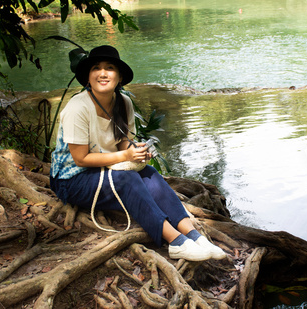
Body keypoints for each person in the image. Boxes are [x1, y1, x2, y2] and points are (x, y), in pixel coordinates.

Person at [49, 45, 226, 261]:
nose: (103, 73)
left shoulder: (123, 103)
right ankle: (177, 243)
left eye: (110, 68)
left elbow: (122, 141)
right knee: (127, 180)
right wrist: (125, 157)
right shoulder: (78, 107)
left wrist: (136, 151)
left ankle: (195, 236)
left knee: (149, 173)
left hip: (105, 168)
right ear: (88, 76)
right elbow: (80, 159)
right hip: (71, 180)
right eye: (96, 68)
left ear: (119, 77)